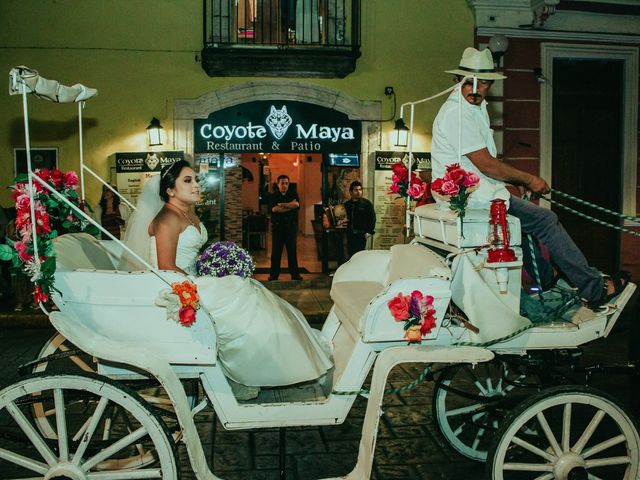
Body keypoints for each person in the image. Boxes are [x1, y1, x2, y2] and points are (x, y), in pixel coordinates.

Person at [431, 47, 627, 309]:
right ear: (458, 81)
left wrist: (511, 182)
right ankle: (594, 287)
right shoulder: (458, 112)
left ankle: (549, 281)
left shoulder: (470, 108)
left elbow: (480, 165)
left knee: (522, 225)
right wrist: (529, 179)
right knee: (546, 220)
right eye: (470, 82)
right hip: (472, 197)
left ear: (490, 83)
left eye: (484, 82)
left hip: (473, 193)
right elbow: (487, 165)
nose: (476, 89)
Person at [122, 162, 332, 388]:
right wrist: (208, 281)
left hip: (190, 278)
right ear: (170, 190)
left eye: (195, 180)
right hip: (178, 284)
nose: (196, 186)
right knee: (243, 295)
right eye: (187, 180)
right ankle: (266, 365)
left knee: (251, 290)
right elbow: (166, 267)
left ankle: (288, 355)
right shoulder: (167, 219)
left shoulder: (186, 214)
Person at [268, 174, 302, 281]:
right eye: (282, 183)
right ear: (278, 184)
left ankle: (295, 274)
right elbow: (274, 209)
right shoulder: (273, 196)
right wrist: (289, 206)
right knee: (276, 252)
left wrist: (282, 204)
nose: (284, 186)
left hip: (291, 228)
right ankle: (274, 275)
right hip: (277, 229)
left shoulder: (293, 193)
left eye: (286, 183)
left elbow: (296, 205)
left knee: (292, 252)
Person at [344, 181, 376, 258]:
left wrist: (369, 232)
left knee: (360, 256)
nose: (359, 192)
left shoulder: (366, 204)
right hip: (350, 234)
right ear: (351, 192)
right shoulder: (347, 205)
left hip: (361, 235)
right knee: (350, 256)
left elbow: (372, 218)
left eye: (360, 189)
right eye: (356, 190)